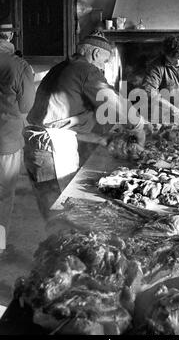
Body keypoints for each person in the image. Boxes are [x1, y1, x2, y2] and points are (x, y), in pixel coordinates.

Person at [24, 30, 145, 220]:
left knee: (52, 209)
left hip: (37, 146)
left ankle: (56, 244)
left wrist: (100, 137)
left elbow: (62, 120)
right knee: (63, 212)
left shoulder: (62, 67)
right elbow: (113, 104)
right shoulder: (86, 70)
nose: (103, 67)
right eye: (104, 61)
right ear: (96, 54)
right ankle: (60, 247)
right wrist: (138, 125)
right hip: (52, 149)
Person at [0, 21, 35, 251]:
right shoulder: (19, 66)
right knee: (3, 195)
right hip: (5, 141)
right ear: (10, 36)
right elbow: (25, 106)